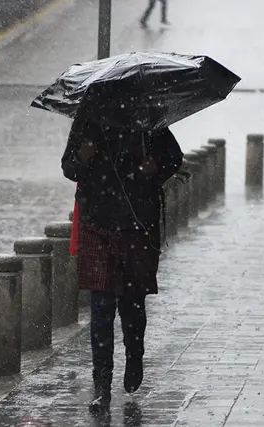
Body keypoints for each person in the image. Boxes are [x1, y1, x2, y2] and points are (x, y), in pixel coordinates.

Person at [61, 117, 183, 413]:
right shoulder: (88, 124)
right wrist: (82, 156)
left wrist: (153, 169)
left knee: (132, 303)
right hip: (97, 224)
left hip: (137, 225)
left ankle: (134, 355)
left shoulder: (147, 122)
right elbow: (69, 168)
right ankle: (102, 385)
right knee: (101, 308)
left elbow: (174, 159)